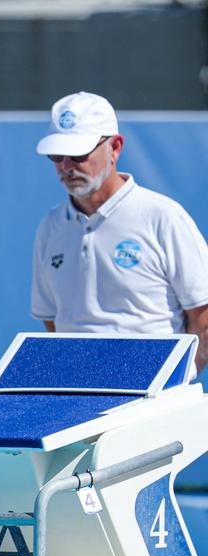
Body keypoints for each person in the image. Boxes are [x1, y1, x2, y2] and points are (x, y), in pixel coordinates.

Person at [32, 91, 208, 373]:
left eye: (78, 153)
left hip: (154, 401)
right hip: (79, 398)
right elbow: (53, 320)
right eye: (56, 154)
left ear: (115, 148)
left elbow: (203, 317)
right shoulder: (50, 227)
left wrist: (174, 382)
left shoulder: (163, 217)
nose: (66, 166)